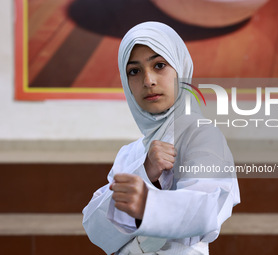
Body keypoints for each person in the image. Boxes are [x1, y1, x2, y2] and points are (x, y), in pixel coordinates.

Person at [82, 21, 240, 255]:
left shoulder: (201, 134)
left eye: (159, 65)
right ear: (127, 84)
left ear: (180, 68)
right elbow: (96, 230)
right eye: (134, 71)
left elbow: (209, 210)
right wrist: (144, 172)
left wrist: (147, 205)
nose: (148, 81)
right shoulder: (132, 154)